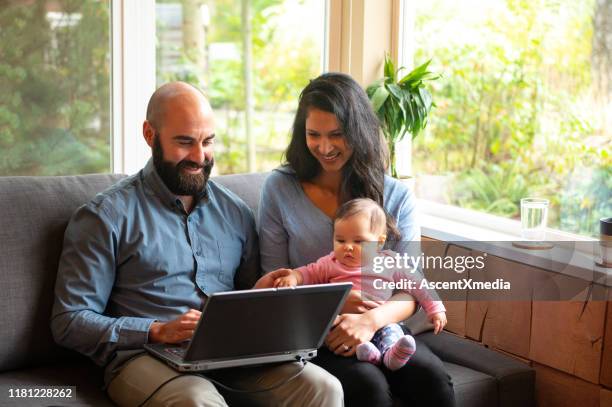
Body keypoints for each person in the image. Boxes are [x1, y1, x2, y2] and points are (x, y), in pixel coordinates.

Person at [51, 81, 343, 407]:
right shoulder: (104, 217)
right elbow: (69, 321)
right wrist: (157, 330)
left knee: (322, 388)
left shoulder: (235, 212)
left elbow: (244, 297)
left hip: (232, 353)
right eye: (184, 142)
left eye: (207, 142)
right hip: (145, 358)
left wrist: (260, 294)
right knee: (196, 400)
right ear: (150, 135)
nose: (199, 156)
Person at [256, 72, 456, 406]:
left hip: (384, 324)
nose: (324, 147)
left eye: (337, 134)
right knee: (368, 385)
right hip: (314, 331)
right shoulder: (280, 189)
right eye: (313, 134)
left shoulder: (396, 195)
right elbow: (277, 284)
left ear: (358, 131)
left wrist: (370, 319)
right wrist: (334, 303)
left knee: (432, 379)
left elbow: (409, 288)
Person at [270, 198, 448, 372]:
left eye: (358, 241)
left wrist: (435, 308)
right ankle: (369, 354)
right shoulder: (329, 263)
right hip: (342, 326)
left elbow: (418, 284)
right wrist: (293, 276)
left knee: (393, 332)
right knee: (328, 333)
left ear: (379, 242)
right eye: (340, 240)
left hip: (381, 323)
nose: (348, 247)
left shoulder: (390, 262)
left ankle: (390, 356)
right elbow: (306, 273)